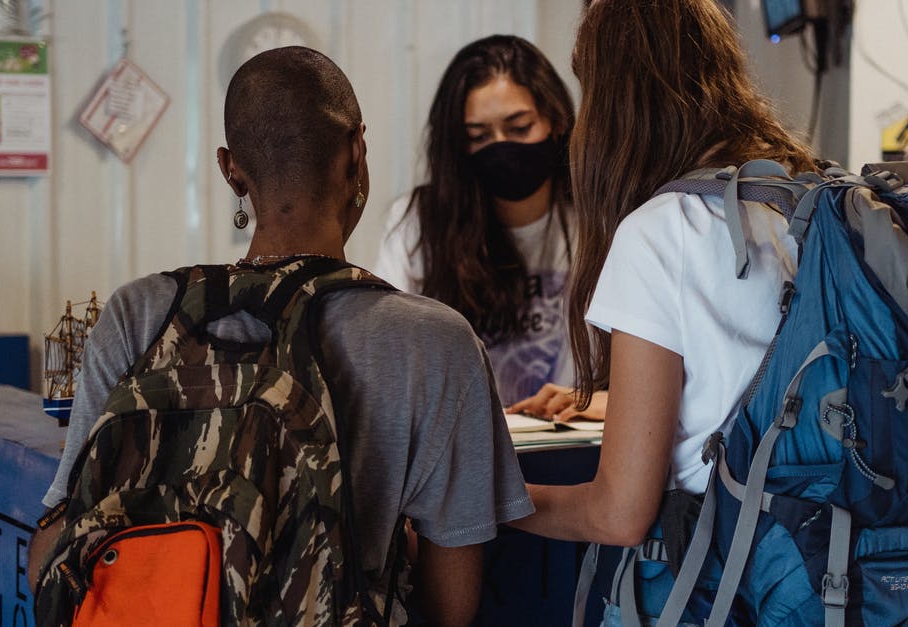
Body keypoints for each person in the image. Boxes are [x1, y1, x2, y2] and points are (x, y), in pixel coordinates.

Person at [28, 46, 533, 627]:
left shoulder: (138, 314)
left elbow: (58, 547)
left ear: (230, 168)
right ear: (357, 152)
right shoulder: (435, 343)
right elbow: (451, 607)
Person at [508, 1, 816, 624]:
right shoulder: (808, 199)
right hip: (818, 575)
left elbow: (619, 514)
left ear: (615, 100)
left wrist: (495, 501)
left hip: (717, 584)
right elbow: (753, 383)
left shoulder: (661, 230)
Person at [375, 35, 600, 413]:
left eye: (519, 128)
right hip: (460, 450)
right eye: (479, 137)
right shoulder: (419, 223)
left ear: (557, 121)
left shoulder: (596, 221)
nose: (502, 147)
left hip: (571, 442)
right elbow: (387, 350)